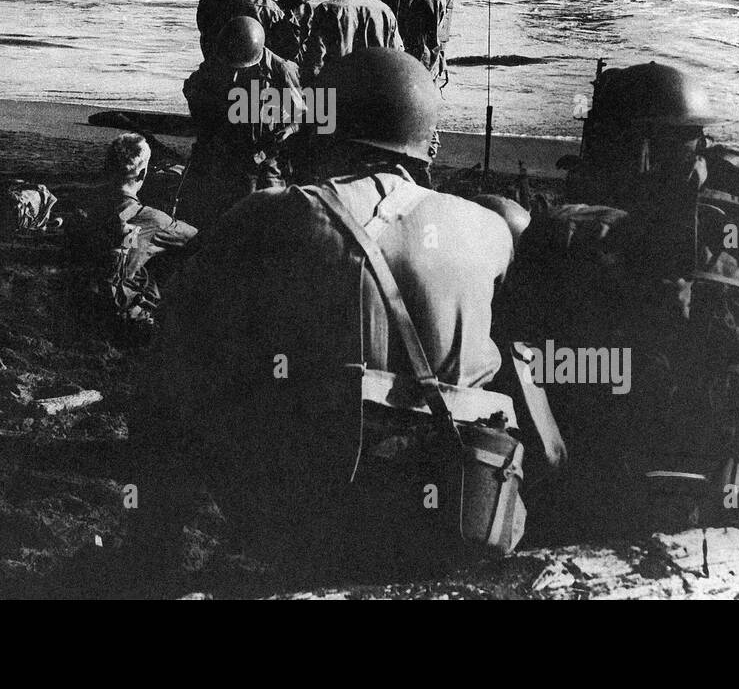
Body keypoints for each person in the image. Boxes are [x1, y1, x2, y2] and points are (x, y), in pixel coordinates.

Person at [133, 48, 540, 581]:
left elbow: (181, 354)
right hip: (457, 509)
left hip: (305, 509)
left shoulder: (268, 215)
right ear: (423, 141)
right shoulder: (489, 229)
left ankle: (152, 560)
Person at [500, 61, 739, 555]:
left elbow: (529, 358)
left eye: (599, 140)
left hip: (620, 503)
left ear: (635, 151)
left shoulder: (575, 237)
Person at [178, 16, 302, 228]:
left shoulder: (281, 69)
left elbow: (301, 112)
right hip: (226, 144)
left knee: (270, 208)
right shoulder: (219, 59)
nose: (235, 73)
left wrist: (289, 129)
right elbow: (192, 88)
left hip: (264, 151)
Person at [79, 133, 198, 338]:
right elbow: (196, 239)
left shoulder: (87, 208)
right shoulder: (154, 220)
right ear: (143, 175)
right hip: (120, 316)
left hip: (81, 305)